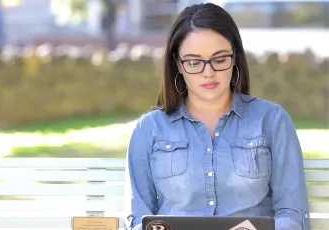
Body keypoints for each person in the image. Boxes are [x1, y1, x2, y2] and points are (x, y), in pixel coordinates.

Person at [124, 3, 310, 230]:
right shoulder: (149, 128)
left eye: (219, 59)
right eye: (194, 62)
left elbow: (291, 213)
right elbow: (137, 218)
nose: (208, 72)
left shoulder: (272, 121)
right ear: (178, 65)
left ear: (235, 58)